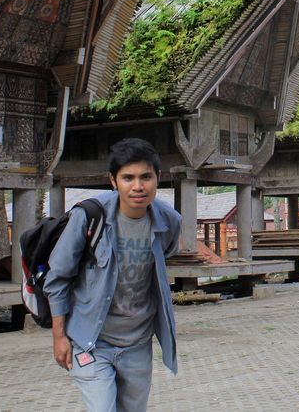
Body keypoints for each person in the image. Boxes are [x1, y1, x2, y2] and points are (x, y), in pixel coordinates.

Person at [45, 138, 182, 412]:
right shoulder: (89, 217)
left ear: (158, 179)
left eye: (146, 177)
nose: (138, 186)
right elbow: (58, 278)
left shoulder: (169, 221)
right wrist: (59, 336)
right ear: (113, 180)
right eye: (128, 178)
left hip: (138, 342)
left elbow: (162, 258)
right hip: (91, 341)